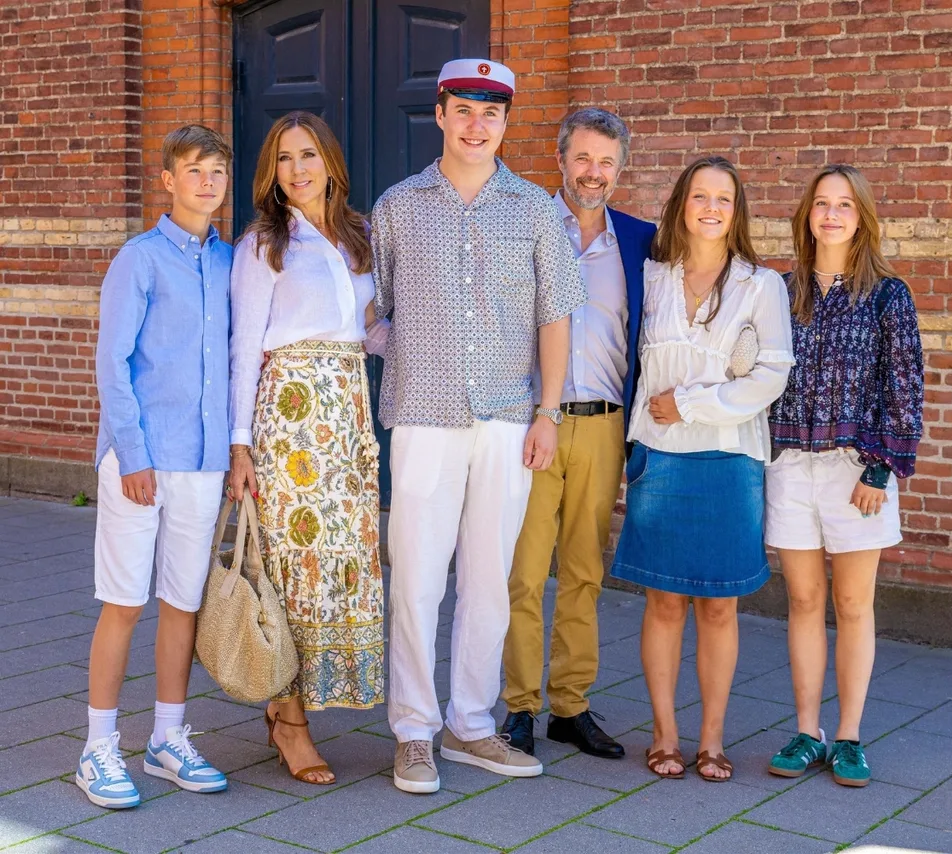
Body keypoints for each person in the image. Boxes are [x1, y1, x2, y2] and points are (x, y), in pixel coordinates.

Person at [373, 58, 586, 794]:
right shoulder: (398, 207)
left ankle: (469, 724)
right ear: (439, 114)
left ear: (505, 123)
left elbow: (556, 317)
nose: (476, 125)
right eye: (463, 109)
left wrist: (548, 413)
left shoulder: (534, 210)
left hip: (507, 418)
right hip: (422, 416)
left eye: (491, 113)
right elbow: (375, 309)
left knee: (491, 580)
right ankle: (413, 730)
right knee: (415, 580)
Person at [609, 156, 793, 782]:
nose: (711, 208)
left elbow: (771, 376)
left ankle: (712, 739)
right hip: (661, 457)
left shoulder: (760, 285)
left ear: (736, 211)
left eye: (723, 198)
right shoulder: (652, 275)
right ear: (681, 205)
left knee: (718, 606)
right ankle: (664, 734)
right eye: (699, 196)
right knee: (664, 601)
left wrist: (690, 403)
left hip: (730, 459)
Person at [227, 111, 387, 786]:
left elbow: (368, 333)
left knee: (342, 557)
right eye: (285, 158)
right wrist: (240, 447)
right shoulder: (264, 243)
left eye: (309, 155)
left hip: (347, 421)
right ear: (272, 171)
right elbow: (244, 348)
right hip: (289, 420)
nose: (298, 169)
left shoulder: (359, 236)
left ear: (330, 162)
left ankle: (293, 702)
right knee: (292, 563)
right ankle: (289, 720)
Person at [78, 125, 234, 809]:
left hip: (202, 461)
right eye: (194, 170)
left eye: (217, 170)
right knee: (124, 601)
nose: (207, 182)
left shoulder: (232, 262)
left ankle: (168, 738)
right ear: (168, 180)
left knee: (183, 603)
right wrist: (133, 456)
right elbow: (112, 364)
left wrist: (232, 453)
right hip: (140, 459)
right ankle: (98, 748)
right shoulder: (138, 259)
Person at [501, 108, 655, 759]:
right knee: (524, 572)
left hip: (603, 425)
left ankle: (570, 705)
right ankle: (518, 707)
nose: (594, 172)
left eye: (606, 162)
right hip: (534, 423)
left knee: (585, 572)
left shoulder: (641, 241)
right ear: (561, 159)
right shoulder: (525, 225)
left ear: (621, 170)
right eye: (583, 158)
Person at [765, 164, 924, 788]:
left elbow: (905, 388)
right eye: (822, 204)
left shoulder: (887, 295)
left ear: (862, 218)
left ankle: (850, 737)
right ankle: (808, 732)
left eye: (844, 205)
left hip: (857, 470)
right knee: (803, 601)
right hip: (789, 464)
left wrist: (880, 469)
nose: (831, 215)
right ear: (807, 215)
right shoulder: (780, 291)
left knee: (853, 604)